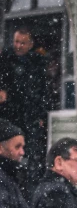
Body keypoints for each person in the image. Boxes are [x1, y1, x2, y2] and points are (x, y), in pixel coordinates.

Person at [0, 27, 51, 195]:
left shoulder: (37, 64)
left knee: (30, 155)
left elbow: (45, 91)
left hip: (30, 116)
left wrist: (42, 114)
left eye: (23, 43)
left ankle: (28, 189)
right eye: (16, 41)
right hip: (10, 115)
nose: (18, 46)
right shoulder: (5, 59)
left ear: (30, 44)